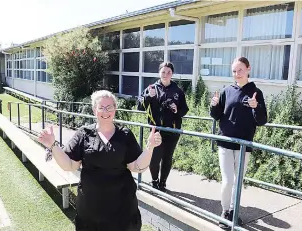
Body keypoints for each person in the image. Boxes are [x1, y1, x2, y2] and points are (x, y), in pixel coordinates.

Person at [38, 90, 162, 231]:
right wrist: (53, 145)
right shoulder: (83, 134)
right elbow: (70, 165)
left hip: (123, 210)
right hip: (91, 210)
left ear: (115, 109)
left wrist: (150, 147)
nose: (105, 111)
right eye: (101, 107)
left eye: (109, 107)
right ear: (94, 110)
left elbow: (137, 167)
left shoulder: (125, 135)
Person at [210, 57, 267, 229]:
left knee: (238, 181)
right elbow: (216, 115)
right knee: (227, 181)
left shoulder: (255, 91)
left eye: (240, 70)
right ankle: (225, 211)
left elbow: (262, 120)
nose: (237, 74)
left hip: (244, 146)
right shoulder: (227, 90)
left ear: (248, 69)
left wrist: (256, 106)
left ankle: (234, 211)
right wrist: (213, 105)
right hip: (226, 142)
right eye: (234, 71)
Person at [138, 62, 189, 192]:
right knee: (155, 158)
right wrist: (149, 96)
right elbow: (140, 107)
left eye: (169, 72)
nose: (166, 75)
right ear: (159, 73)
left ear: (172, 74)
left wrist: (177, 110)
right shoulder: (152, 88)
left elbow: (185, 110)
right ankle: (154, 180)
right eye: (163, 72)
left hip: (173, 130)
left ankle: (163, 183)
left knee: (167, 158)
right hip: (156, 131)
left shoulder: (177, 91)